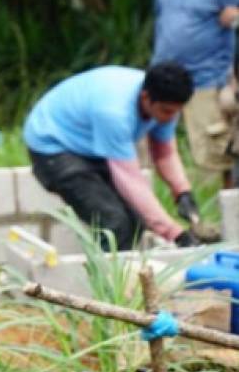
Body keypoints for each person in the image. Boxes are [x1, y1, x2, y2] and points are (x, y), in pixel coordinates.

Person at [24, 63, 205, 251]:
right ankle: (101, 279)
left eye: (177, 112)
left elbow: (164, 152)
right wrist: (176, 234)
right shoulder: (114, 112)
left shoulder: (163, 102)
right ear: (145, 97)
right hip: (53, 146)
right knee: (114, 223)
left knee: (137, 221)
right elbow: (130, 180)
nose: (171, 118)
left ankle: (120, 273)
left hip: (89, 142)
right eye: (167, 111)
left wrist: (182, 192)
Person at [151, 0, 239, 189]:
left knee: (212, 161)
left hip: (205, 79)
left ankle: (222, 226)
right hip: (162, 76)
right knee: (153, 154)